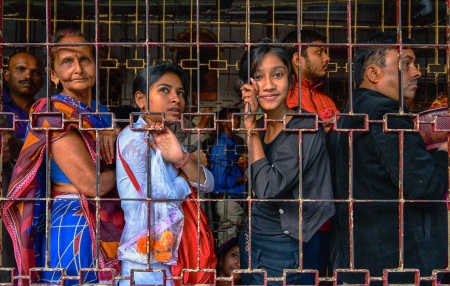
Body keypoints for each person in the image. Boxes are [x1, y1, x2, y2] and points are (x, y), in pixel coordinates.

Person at [2, 29, 124, 285]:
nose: (78, 68)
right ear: (54, 74)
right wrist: (123, 166)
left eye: (85, 59)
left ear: (95, 65)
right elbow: (92, 185)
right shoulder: (52, 111)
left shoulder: (101, 113)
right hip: (74, 221)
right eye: (67, 61)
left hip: (108, 222)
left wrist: (116, 132)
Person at [328, 32, 448, 284]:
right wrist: (443, 151)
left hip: (357, 257)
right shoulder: (388, 115)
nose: (416, 72)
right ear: (373, 74)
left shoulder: (349, 114)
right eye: (405, 63)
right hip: (396, 261)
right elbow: (424, 187)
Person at [238, 41, 334, 285]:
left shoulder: (304, 127)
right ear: (247, 86)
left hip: (288, 246)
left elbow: (269, 189)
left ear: (290, 79)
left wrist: (250, 128)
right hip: (254, 238)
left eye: (277, 75)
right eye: (258, 76)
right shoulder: (264, 125)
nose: (269, 85)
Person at [115, 62, 216, 286]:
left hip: (166, 254)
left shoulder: (165, 136)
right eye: (165, 90)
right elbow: (155, 204)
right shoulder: (133, 139)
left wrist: (181, 159)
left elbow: (209, 183)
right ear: (141, 100)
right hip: (144, 260)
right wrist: (186, 173)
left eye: (180, 92)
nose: (176, 98)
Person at [1, 51, 43, 282]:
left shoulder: (47, 108)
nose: (29, 76)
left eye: (35, 72)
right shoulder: (2, 108)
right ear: (7, 75)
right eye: (21, 69)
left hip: (38, 193)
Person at [207, 107, 246, 246]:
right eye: (233, 118)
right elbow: (219, 180)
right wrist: (242, 178)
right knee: (227, 245)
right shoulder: (221, 146)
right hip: (227, 202)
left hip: (234, 201)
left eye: (238, 118)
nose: (237, 121)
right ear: (223, 122)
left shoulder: (234, 143)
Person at [283, 29, 339, 126]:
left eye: (325, 52)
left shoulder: (326, 100)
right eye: (319, 52)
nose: (327, 58)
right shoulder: (282, 99)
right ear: (298, 60)